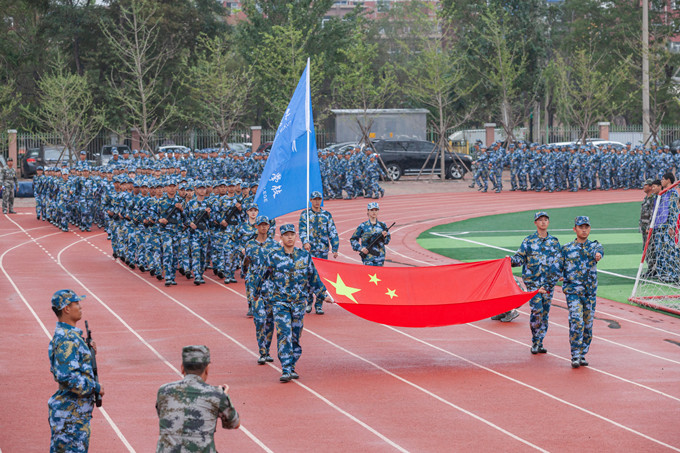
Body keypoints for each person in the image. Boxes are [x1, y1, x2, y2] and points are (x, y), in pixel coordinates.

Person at [252, 224, 327, 382]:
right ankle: (286, 368)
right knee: (284, 334)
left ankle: (292, 364)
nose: (290, 237)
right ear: (281, 238)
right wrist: (257, 294)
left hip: (299, 303)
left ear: (296, 236)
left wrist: (323, 294)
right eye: (286, 235)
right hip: (280, 302)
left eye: (292, 234)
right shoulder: (273, 256)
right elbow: (261, 275)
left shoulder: (304, 256)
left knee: (295, 335)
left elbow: (313, 277)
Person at [48, 289, 104, 452]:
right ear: (66, 308)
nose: (80, 307)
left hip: (73, 414)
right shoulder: (67, 338)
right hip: (70, 416)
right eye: (76, 304)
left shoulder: (70, 336)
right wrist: (95, 387)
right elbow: (67, 376)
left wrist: (87, 350)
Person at [156, 345, 240, 452]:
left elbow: (164, 416)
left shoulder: (164, 390)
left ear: (182, 368)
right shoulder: (217, 394)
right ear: (207, 369)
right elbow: (234, 424)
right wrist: (225, 397)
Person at [509, 211, 562, 353]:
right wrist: (509, 261)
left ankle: (540, 341)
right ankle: (535, 341)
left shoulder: (554, 242)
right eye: (540, 220)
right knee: (537, 310)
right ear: (535, 223)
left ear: (548, 222)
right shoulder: (528, 241)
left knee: (545, 313)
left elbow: (560, 261)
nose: (543, 222)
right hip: (533, 284)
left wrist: (561, 274)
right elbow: (519, 258)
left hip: (548, 284)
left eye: (545, 219)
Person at [561, 216, 604, 369]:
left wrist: (598, 255)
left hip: (589, 293)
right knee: (576, 321)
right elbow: (557, 267)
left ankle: (583, 353)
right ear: (575, 229)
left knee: (587, 325)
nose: (584, 230)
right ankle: (575, 355)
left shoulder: (595, 246)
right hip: (573, 292)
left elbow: (600, 252)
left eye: (586, 227)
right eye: (581, 227)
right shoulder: (566, 248)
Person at [244, 216, 279, 364]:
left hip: (270, 287)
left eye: (266, 225)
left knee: (270, 320)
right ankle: (262, 351)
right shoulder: (250, 245)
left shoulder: (275, 245)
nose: (264, 227)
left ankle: (268, 349)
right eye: (261, 225)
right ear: (257, 226)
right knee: (259, 320)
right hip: (255, 288)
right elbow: (245, 266)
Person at [298, 190, 340, 314]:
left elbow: (332, 231)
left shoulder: (326, 215)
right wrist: (305, 242)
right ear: (311, 200)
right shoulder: (305, 214)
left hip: (322, 251)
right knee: (308, 276)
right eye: (314, 199)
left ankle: (319, 303)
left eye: (319, 199)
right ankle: (309, 301)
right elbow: (302, 230)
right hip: (309, 251)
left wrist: (335, 247)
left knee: (321, 277)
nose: (317, 202)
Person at [350, 202, 391, 266]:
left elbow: (387, 241)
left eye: (376, 210)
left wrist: (384, 237)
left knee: (379, 275)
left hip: (380, 258)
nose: (374, 212)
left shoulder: (382, 225)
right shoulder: (363, 226)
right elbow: (353, 239)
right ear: (368, 211)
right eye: (371, 210)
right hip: (368, 258)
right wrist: (360, 248)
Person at [639, 178, 656, 249]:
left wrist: (649, 227)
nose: (644, 186)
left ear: (650, 187)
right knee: (645, 248)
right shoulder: (646, 198)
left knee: (650, 248)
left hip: (649, 228)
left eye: (645, 185)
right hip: (644, 226)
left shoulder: (653, 198)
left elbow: (653, 214)